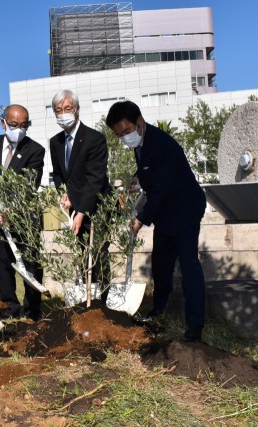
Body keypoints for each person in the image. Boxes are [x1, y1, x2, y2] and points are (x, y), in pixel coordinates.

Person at [106, 100, 207, 342]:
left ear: (139, 122)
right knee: (161, 265)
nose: (124, 138)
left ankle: (195, 325)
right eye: (120, 135)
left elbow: (162, 188)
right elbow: (152, 173)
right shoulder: (141, 142)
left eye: (127, 131)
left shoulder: (161, 144)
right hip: (166, 214)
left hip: (185, 210)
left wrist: (140, 218)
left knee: (189, 265)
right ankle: (158, 310)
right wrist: (140, 180)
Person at [0, 104, 45, 321]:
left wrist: (8, 206)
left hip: (24, 218)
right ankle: (9, 307)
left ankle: (33, 310)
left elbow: (28, 184)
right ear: (4, 123)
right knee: (3, 263)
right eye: (14, 125)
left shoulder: (35, 150)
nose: (19, 129)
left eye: (24, 125)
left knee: (30, 263)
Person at [49, 89, 111, 296]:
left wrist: (82, 210)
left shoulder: (94, 139)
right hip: (74, 207)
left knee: (98, 253)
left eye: (68, 108)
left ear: (77, 110)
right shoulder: (55, 142)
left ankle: (103, 298)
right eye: (59, 110)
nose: (63, 113)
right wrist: (63, 194)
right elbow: (58, 174)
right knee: (82, 252)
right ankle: (87, 296)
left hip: (96, 207)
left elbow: (96, 179)